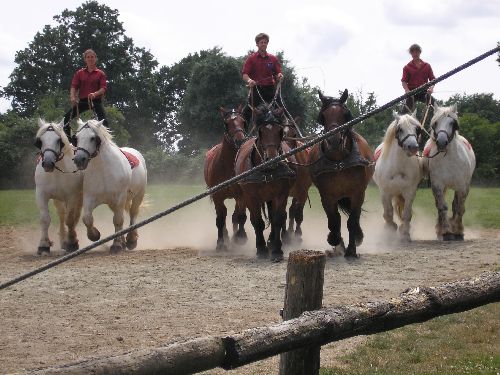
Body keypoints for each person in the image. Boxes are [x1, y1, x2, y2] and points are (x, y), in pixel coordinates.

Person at [63, 49, 108, 138]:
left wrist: (95, 94)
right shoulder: (80, 73)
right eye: (88, 57)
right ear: (85, 59)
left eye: (92, 57)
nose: (90, 59)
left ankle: (105, 141)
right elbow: (74, 87)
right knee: (65, 119)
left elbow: (103, 88)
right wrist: (72, 97)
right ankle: (69, 140)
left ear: (95, 59)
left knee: (104, 122)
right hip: (82, 102)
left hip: (95, 101)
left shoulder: (100, 74)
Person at [242, 33, 284, 123]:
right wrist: (250, 80)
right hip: (257, 89)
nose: (263, 44)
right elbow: (245, 74)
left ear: (267, 44)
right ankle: (242, 135)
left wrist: (280, 75)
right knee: (246, 112)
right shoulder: (251, 58)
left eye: (265, 42)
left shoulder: (273, 59)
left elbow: (278, 73)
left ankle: (286, 131)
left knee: (282, 109)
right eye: (261, 42)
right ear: (257, 44)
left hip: (270, 88)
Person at [401, 44, 436, 112]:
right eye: (413, 52)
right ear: (411, 53)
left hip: (424, 92)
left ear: (420, 52)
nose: (415, 54)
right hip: (412, 93)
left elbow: (433, 79)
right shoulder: (407, 67)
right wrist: (407, 90)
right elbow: (404, 81)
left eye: (416, 52)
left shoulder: (427, 66)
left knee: (436, 106)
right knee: (404, 112)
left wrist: (431, 88)